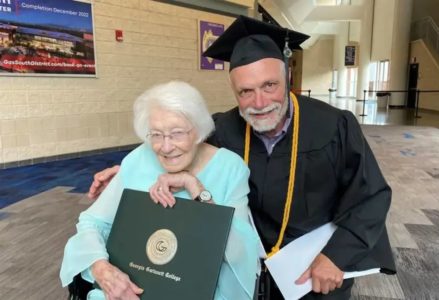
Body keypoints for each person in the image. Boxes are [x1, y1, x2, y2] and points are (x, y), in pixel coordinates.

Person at [88, 16, 396, 299]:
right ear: (233, 90)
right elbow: (179, 146)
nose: (259, 103)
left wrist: (337, 256)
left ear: (287, 78)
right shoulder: (223, 128)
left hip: (317, 269)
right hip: (247, 267)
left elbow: (371, 196)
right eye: (245, 91)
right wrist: (128, 169)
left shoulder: (334, 126)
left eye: (269, 86)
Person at [60, 81, 260, 300]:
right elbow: (92, 223)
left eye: (177, 133)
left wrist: (194, 186)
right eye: (156, 134)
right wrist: (102, 270)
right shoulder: (138, 159)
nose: (165, 147)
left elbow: (240, 253)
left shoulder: (230, 168)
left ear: (200, 132)